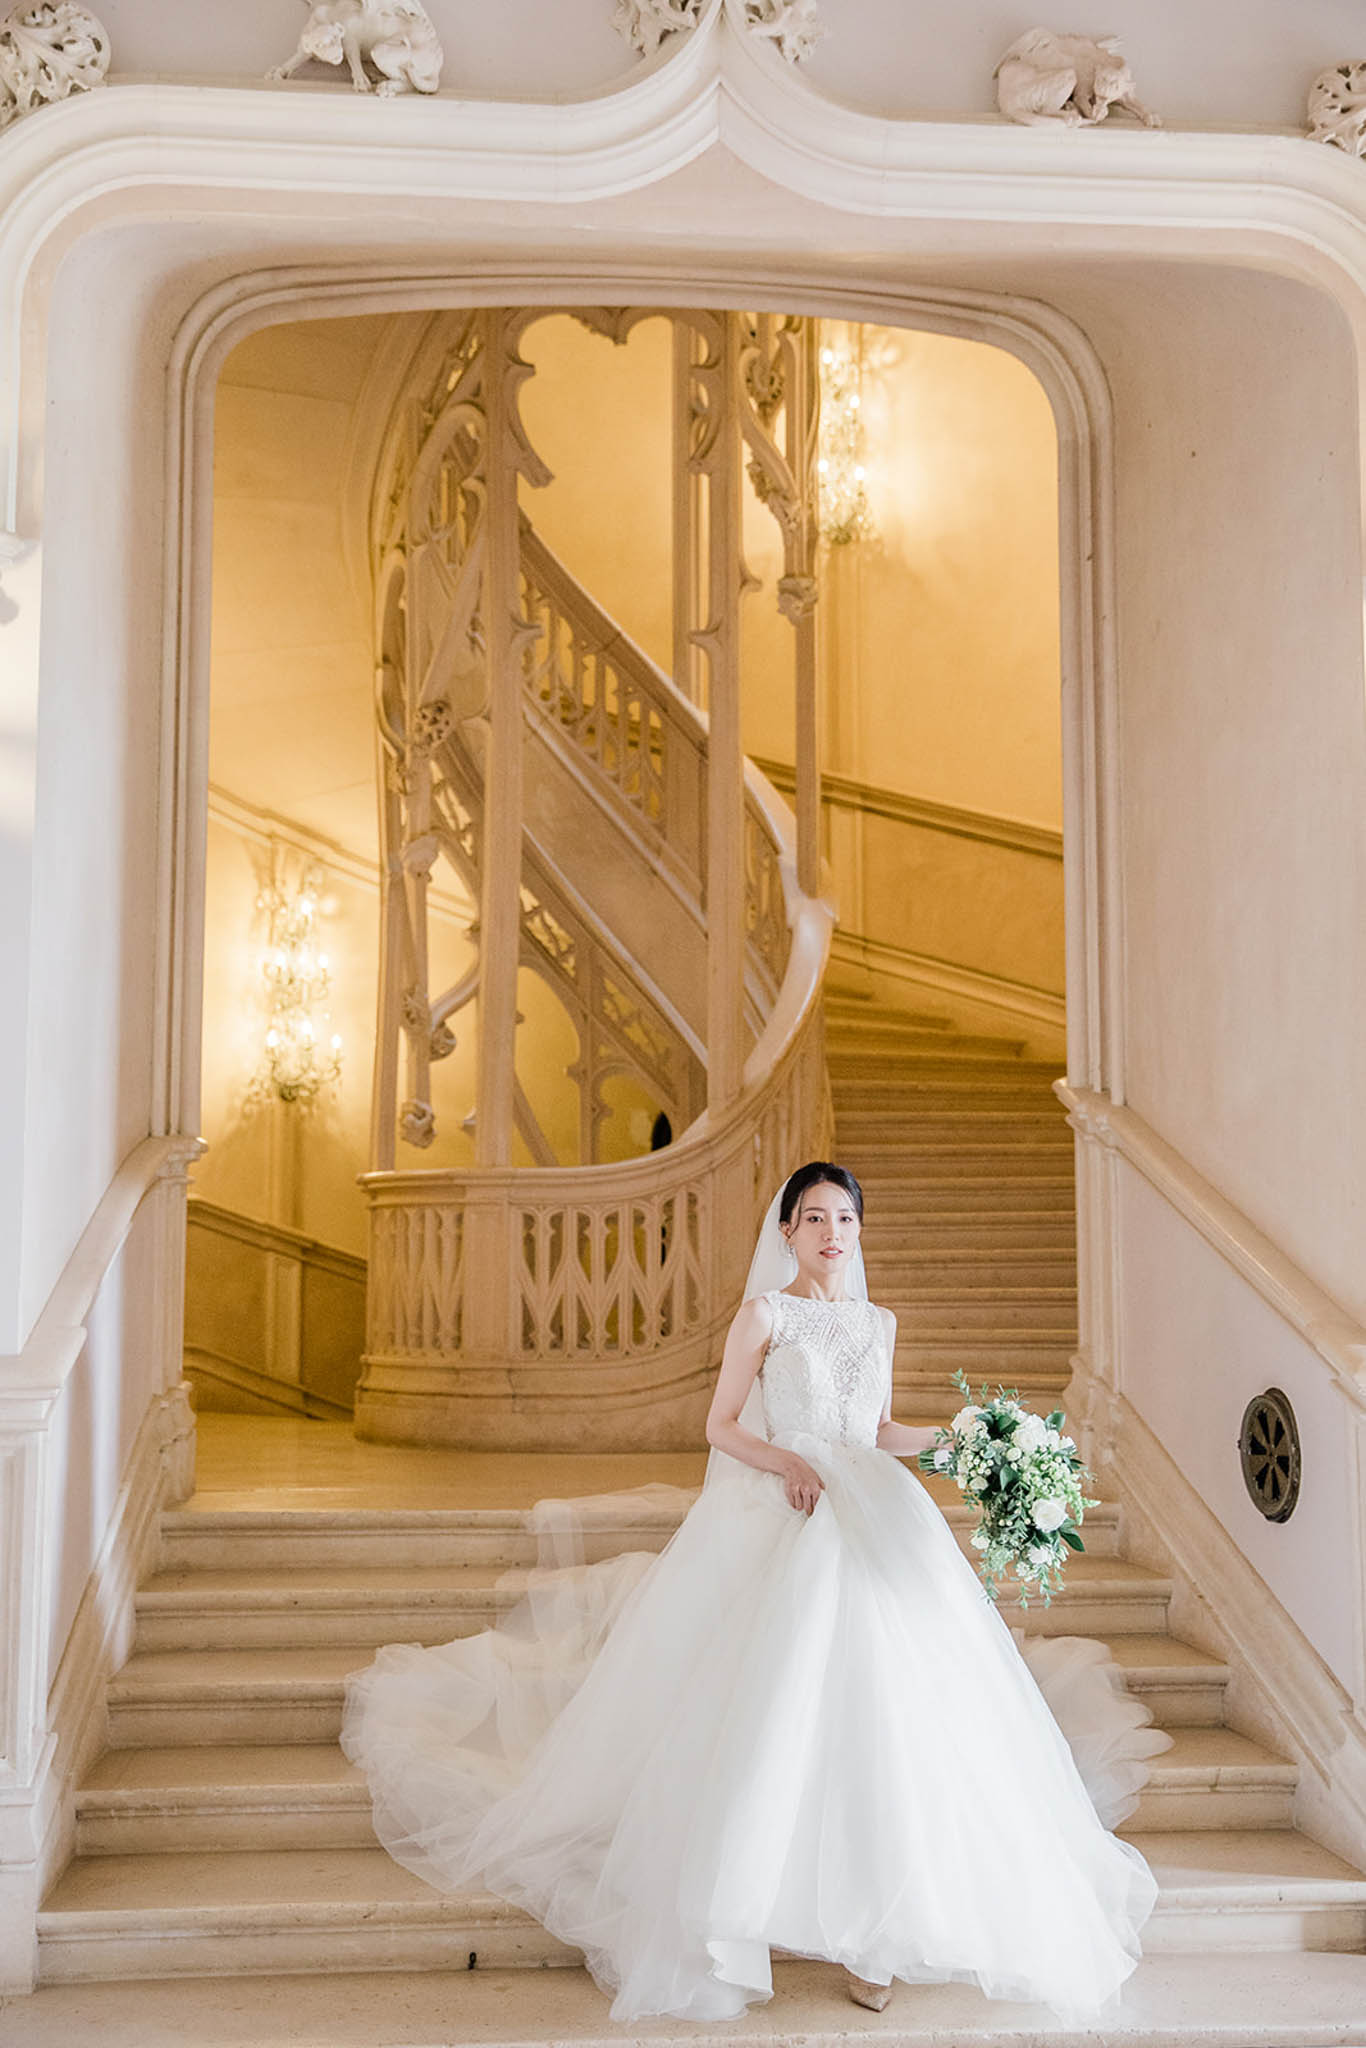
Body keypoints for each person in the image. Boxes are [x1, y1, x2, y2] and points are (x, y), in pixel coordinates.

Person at [342, 1161, 1169, 2025]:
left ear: (858, 1228)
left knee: (890, 1714)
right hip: (791, 1514)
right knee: (776, 1713)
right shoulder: (765, 1315)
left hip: (881, 1520)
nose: (831, 1234)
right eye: (813, 1218)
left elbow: (880, 1429)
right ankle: (751, 1901)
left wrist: (972, 1440)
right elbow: (721, 1425)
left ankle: (878, 1936)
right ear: (787, 1232)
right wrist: (790, 1463)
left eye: (844, 1218)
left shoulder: (878, 1321)